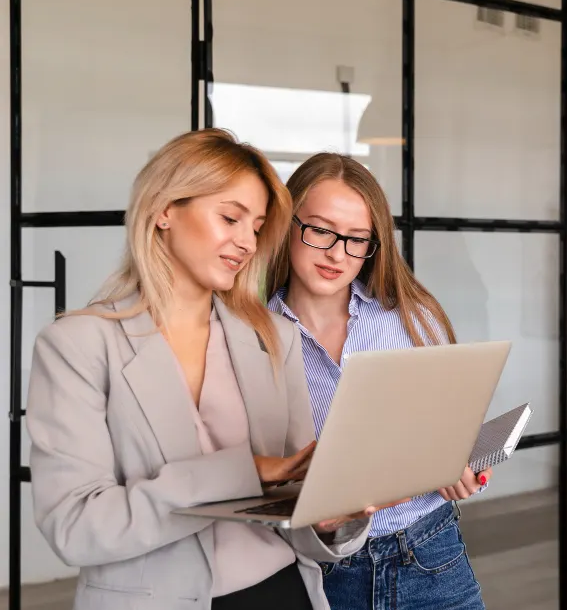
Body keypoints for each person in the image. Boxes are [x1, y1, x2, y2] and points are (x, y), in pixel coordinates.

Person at [25, 129, 387, 610]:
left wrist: (327, 517)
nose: (245, 242)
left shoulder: (274, 337)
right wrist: (246, 474)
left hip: (283, 593)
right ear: (164, 210)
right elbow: (76, 527)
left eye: (256, 227)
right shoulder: (78, 345)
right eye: (230, 218)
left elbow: (300, 499)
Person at [265, 153, 492, 610]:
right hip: (323, 566)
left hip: (430, 551)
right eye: (322, 230)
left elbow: (449, 425)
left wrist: (456, 462)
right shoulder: (253, 334)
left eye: (356, 239)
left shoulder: (410, 319)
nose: (337, 253)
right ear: (286, 225)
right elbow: (257, 470)